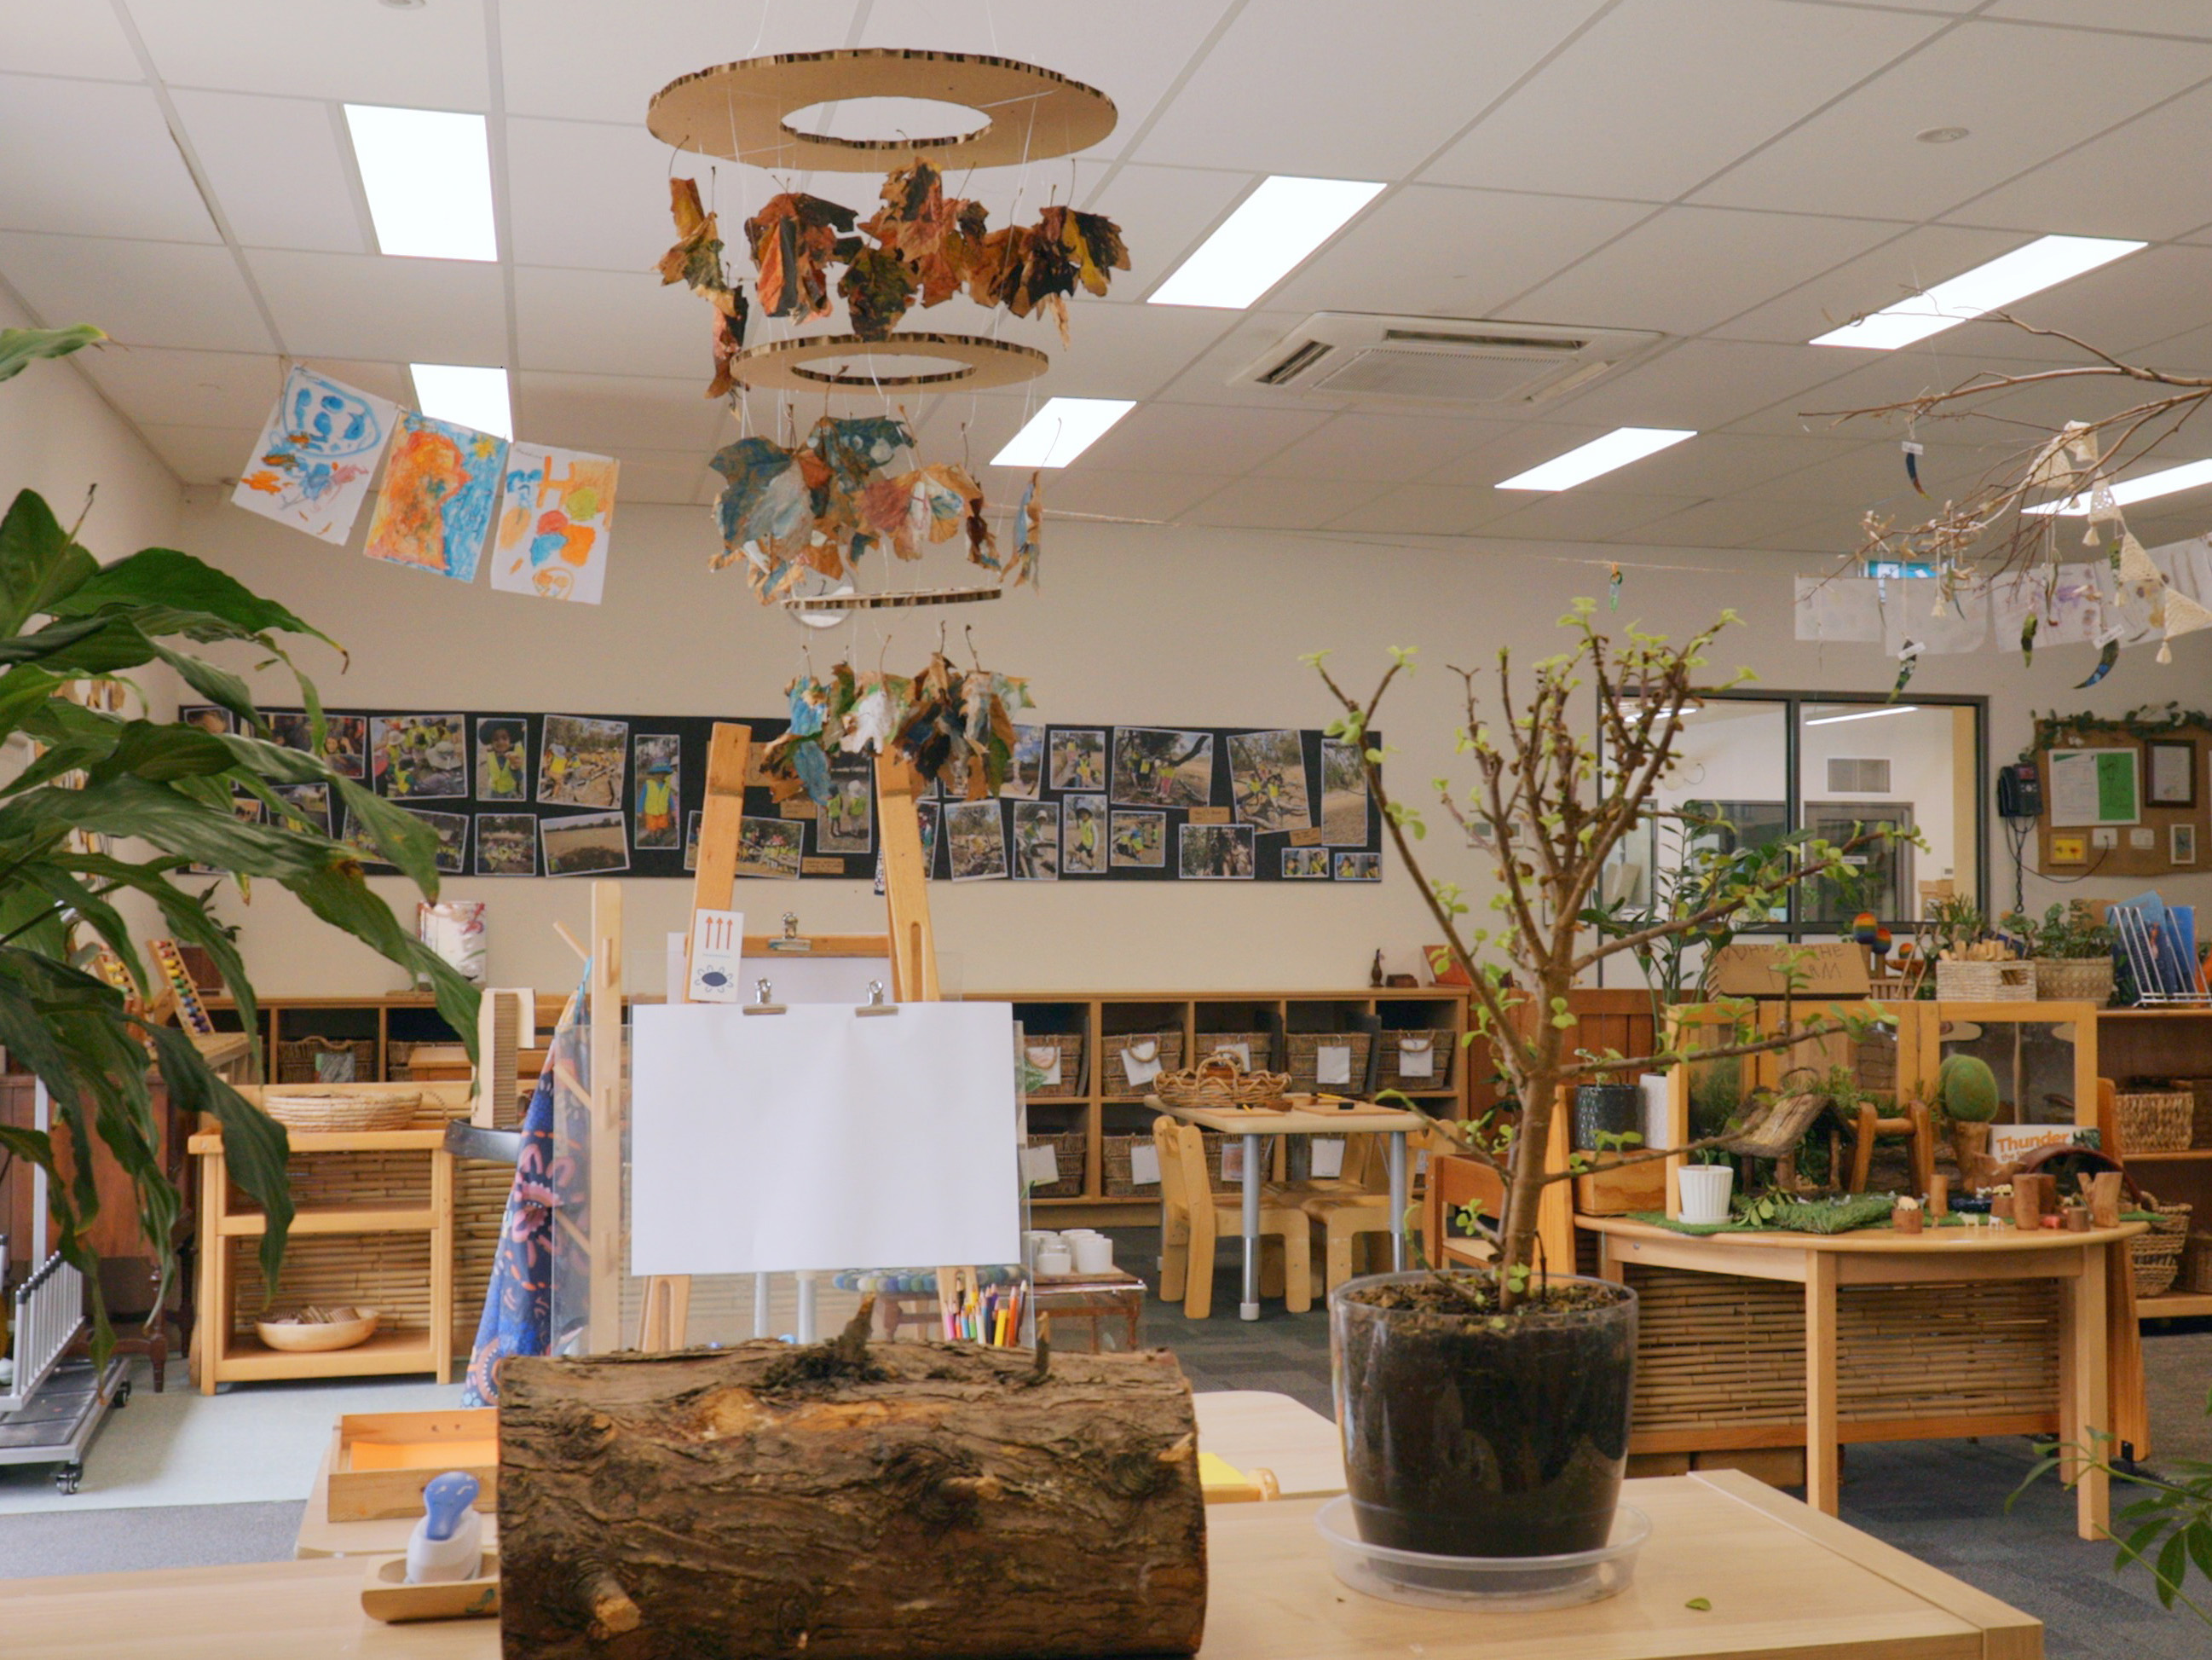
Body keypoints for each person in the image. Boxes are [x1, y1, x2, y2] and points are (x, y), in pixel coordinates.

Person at [636, 760, 675, 841]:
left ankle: (659, 836)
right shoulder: (648, 784)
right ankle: (652, 837)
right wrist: (639, 810)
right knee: (652, 826)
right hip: (651, 811)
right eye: (658, 773)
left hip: (662, 811)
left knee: (662, 825)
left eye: (663, 773)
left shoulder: (667, 786)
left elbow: (670, 798)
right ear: (654, 774)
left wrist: (673, 809)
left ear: (666, 774)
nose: (661, 776)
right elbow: (642, 797)